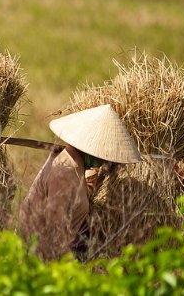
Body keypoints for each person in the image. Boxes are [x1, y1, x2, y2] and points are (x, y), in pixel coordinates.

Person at [19, 104, 141, 260]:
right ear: (90, 150)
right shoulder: (64, 173)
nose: (105, 160)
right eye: (103, 155)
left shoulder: (73, 164)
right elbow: (53, 234)